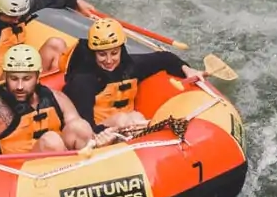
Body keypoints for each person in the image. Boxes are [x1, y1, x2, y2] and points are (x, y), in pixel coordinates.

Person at [0, 45, 97, 164]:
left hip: (55, 168)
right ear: (6, 76)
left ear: (37, 76)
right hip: (15, 175)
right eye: (14, 79)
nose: (20, 86)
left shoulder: (56, 97)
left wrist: (99, 140)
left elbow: (80, 130)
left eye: (27, 79)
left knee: (80, 127)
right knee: (51, 140)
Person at [62, 17, 199, 130]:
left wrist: (187, 70)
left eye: (114, 53)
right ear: (94, 54)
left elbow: (165, 59)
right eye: (102, 55)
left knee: (136, 117)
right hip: (100, 130)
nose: (109, 60)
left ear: (121, 49)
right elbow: (85, 125)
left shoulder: (131, 66)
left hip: (129, 122)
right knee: (126, 119)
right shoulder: (83, 81)